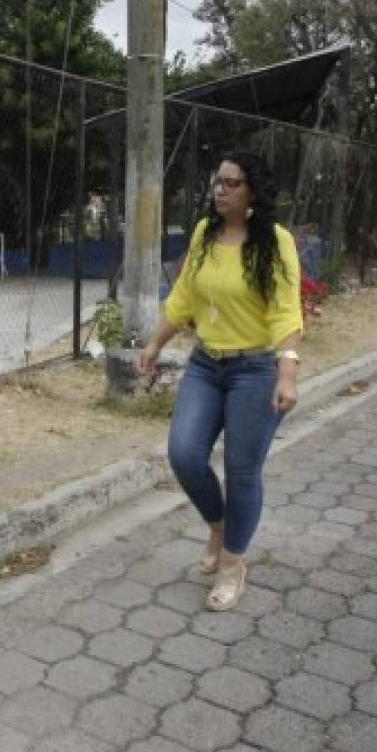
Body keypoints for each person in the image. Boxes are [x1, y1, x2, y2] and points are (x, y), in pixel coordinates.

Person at [137, 151, 303, 613]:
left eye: (232, 183)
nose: (220, 190)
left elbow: (287, 310)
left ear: (253, 192)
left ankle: (233, 563)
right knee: (184, 453)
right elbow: (184, 295)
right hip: (207, 365)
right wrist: (154, 343)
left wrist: (286, 374)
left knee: (242, 471)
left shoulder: (276, 242)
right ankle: (219, 524)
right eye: (218, 181)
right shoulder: (204, 234)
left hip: (255, 369)